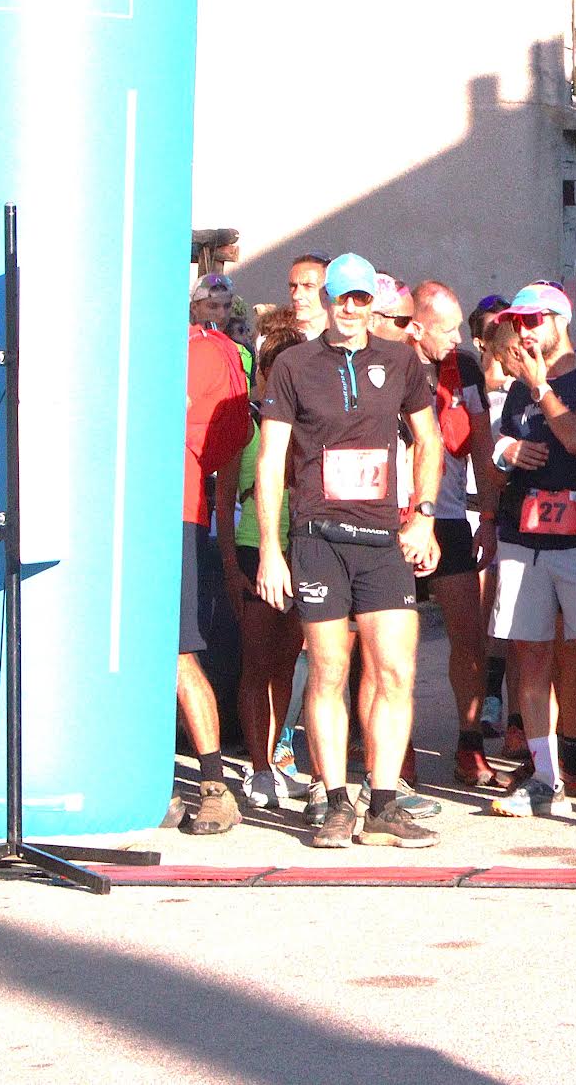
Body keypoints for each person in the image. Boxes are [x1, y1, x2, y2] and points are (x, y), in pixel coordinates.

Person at [253, 251, 444, 849]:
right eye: (345, 298)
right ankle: (335, 800)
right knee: (329, 670)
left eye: (365, 299)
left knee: (395, 670)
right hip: (317, 538)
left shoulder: (399, 360)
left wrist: (425, 519)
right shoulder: (292, 364)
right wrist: (269, 549)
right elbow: (271, 459)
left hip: (384, 539)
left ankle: (384, 801)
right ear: (328, 299)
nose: (355, 309)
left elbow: (428, 441)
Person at [485, 281, 576, 822]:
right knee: (531, 657)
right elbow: (500, 443)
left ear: (560, 320)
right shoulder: (521, 386)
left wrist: (542, 386)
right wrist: (508, 451)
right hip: (523, 537)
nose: (524, 332)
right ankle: (545, 776)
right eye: (519, 323)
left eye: (535, 321)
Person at [406, 280, 502, 790]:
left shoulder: (462, 367)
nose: (456, 338)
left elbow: (481, 442)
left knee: (468, 635)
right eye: (445, 329)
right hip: (395, 515)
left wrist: (487, 514)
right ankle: (395, 750)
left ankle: (470, 742)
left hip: (447, 514)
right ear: (416, 327)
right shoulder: (392, 361)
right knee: (389, 645)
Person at [223, 313, 307, 809]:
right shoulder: (249, 425)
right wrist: (232, 567)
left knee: (285, 664)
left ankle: (277, 759)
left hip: (304, 550)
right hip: (258, 550)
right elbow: (222, 496)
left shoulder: (311, 422)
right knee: (256, 664)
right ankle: (256, 770)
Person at [175, 316, 254, 835]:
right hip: (154, 512)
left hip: (173, 512)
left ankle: (215, 785)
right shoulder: (214, 349)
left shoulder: (202, 350)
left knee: (177, 652)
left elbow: (232, 434)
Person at [287, 253, 330, 340]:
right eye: (293, 286)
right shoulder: (278, 341)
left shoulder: (350, 337)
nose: (296, 295)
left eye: (308, 286)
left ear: (329, 291)